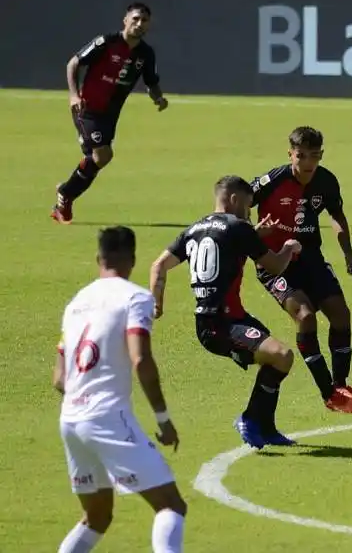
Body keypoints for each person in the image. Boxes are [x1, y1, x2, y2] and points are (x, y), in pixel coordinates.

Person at [149, 175, 352, 450]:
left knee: (277, 359)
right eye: (248, 206)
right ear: (234, 200)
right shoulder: (238, 227)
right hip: (222, 324)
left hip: (216, 319)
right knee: (281, 356)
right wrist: (288, 247)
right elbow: (274, 267)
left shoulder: (195, 228)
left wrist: (156, 304)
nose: (249, 213)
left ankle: (267, 428)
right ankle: (250, 419)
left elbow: (158, 267)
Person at [55, 226, 186, 553]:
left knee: (96, 517)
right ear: (132, 259)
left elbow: (59, 379)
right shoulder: (135, 297)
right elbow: (140, 360)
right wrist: (163, 419)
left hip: (71, 420)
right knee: (170, 505)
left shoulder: (75, 304)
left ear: (99, 258)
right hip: (107, 417)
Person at [249, 126, 352, 413]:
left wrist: (348, 253)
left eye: (313, 156)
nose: (307, 163)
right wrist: (252, 233)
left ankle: (341, 385)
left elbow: (336, 216)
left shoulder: (326, 181)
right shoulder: (272, 180)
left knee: (341, 314)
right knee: (305, 316)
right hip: (275, 262)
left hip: (311, 258)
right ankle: (328, 392)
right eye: (300, 156)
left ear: (321, 155)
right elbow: (238, 204)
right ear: (290, 153)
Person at [52, 2, 169, 225]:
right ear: (125, 20)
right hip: (86, 109)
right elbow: (74, 63)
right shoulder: (106, 42)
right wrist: (74, 95)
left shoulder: (146, 54)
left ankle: (65, 193)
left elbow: (151, 81)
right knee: (102, 155)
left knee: (97, 158)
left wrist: (158, 98)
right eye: (135, 19)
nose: (139, 24)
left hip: (109, 115)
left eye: (144, 21)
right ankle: (66, 195)